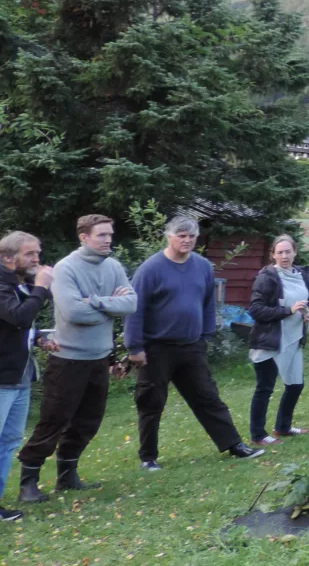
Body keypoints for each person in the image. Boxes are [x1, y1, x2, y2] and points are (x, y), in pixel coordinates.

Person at [126, 217, 263, 469]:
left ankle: (234, 445)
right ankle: (148, 457)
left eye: (192, 236)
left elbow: (208, 303)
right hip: (156, 349)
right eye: (181, 235)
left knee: (208, 397)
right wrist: (134, 347)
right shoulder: (151, 269)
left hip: (191, 346)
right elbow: (135, 309)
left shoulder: (202, 267)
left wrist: (205, 336)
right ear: (169, 236)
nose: (187, 240)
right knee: (151, 402)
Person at [17, 216, 136, 504]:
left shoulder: (113, 266)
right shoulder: (66, 268)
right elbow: (72, 313)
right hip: (67, 358)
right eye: (101, 235)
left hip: (99, 357)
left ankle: (67, 476)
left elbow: (131, 304)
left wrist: (95, 301)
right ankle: (28, 483)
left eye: (110, 234)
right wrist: (111, 304)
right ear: (83, 237)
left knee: (88, 421)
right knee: (54, 420)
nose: (108, 240)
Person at [0, 231, 57, 521]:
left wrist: (38, 339)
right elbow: (19, 316)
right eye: (30, 254)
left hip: (19, 377)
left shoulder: (16, 284)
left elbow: (15, 327)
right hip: (1, 379)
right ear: (7, 257)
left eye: (38, 252)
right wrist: (42, 288)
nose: (37, 258)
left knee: (8, 442)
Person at [246, 235, 309, 445]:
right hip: (270, 341)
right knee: (265, 387)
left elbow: (303, 301)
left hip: (294, 338)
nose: (284, 256)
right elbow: (256, 310)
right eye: (280, 252)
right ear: (273, 255)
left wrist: (304, 312)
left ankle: (282, 427)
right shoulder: (267, 277)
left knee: (295, 385)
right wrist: (288, 310)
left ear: (295, 252)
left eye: (288, 251)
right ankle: (258, 435)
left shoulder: (302, 274)